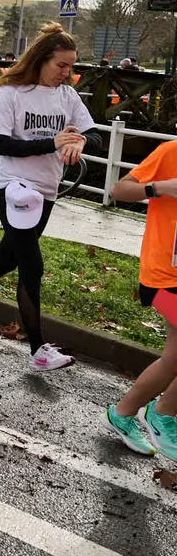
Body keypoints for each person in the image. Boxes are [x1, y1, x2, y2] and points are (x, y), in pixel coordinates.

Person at [0, 23, 99, 371]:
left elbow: (93, 133)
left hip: (46, 189)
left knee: (8, 257)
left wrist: (80, 141)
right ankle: (38, 350)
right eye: (61, 65)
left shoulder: (67, 96)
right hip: (11, 186)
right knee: (32, 264)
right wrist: (52, 142)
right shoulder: (11, 92)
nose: (67, 73)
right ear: (42, 59)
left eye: (71, 66)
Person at [103, 143, 177, 457]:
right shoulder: (170, 153)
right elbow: (119, 190)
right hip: (164, 275)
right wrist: (160, 187)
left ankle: (135, 414)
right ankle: (156, 414)